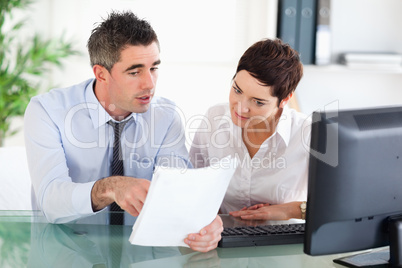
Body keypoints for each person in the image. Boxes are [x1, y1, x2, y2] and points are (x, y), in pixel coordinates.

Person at [24, 11, 222, 252]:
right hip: (66, 255)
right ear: (101, 74)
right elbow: (50, 202)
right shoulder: (47, 111)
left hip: (142, 256)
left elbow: (178, 194)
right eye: (134, 72)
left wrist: (205, 221)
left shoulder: (167, 117)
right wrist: (111, 187)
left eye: (154, 68)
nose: (149, 83)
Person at [189, 38, 311, 221]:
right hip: (221, 240)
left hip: (283, 242)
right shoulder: (214, 118)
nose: (240, 108)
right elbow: (193, 187)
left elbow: (338, 205)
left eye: (258, 102)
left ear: (284, 100)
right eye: (237, 90)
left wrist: (287, 211)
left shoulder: (308, 133)